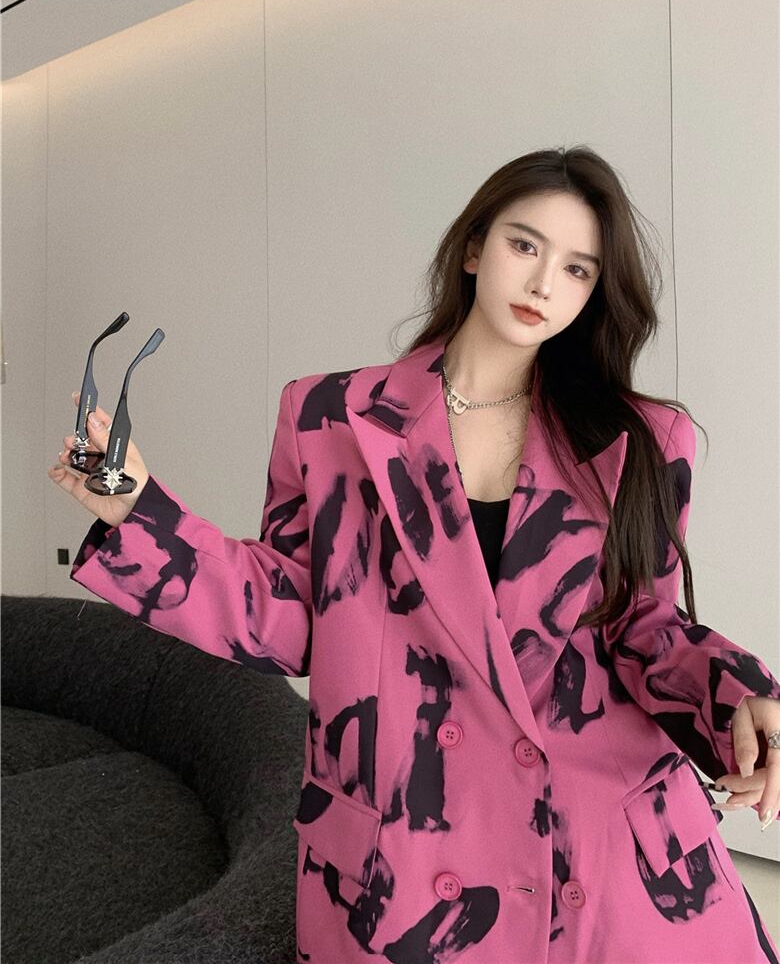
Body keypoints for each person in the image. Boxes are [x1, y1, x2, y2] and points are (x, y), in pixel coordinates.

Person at [48, 146, 780, 964]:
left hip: (604, 859)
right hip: (413, 858)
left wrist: (740, 696)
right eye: (525, 245)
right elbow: (291, 613)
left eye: (578, 269)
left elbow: (647, 627)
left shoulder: (637, 436)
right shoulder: (330, 416)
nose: (544, 283)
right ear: (474, 248)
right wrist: (139, 511)